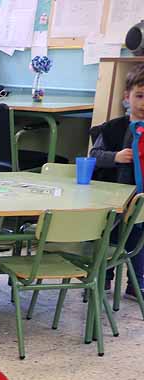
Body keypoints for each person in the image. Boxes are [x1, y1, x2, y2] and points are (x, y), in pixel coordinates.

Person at [90, 64, 144, 295]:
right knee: (108, 238)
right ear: (127, 96)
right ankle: (102, 279)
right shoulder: (113, 128)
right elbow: (94, 156)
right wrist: (116, 157)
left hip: (139, 199)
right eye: (139, 96)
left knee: (138, 241)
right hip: (112, 197)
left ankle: (136, 283)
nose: (143, 103)